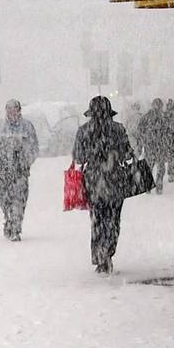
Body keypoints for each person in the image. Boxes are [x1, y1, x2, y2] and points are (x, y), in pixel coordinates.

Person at [72, 95, 135, 274]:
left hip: (94, 181)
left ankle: (100, 256)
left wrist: (93, 157)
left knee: (97, 220)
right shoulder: (118, 129)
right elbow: (128, 154)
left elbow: (79, 156)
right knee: (113, 220)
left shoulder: (84, 131)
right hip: (115, 180)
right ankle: (109, 251)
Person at [0, 99, 39, 241]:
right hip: (4, 171)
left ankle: (16, 227)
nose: (11, 112)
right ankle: (8, 218)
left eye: (14, 109)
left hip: (20, 171)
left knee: (19, 200)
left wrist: (25, 162)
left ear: (19, 111)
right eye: (9, 109)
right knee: (4, 199)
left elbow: (34, 148)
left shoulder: (27, 127)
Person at [137, 98, 171, 194]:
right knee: (159, 167)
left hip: (152, 145)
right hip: (158, 145)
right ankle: (157, 185)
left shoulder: (147, 117)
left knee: (151, 166)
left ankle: (149, 185)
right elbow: (169, 131)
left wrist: (144, 139)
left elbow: (140, 130)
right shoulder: (163, 117)